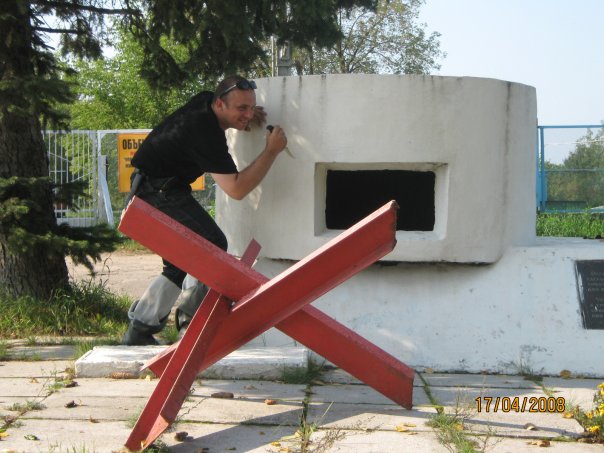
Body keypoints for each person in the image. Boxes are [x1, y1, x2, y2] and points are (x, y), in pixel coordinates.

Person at [121, 75, 287, 345]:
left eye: (251, 107)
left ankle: (139, 331)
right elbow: (236, 189)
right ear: (220, 104)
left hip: (156, 186)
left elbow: (226, 110)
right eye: (241, 108)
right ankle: (191, 327)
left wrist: (240, 117)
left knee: (179, 263)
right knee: (211, 245)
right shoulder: (204, 133)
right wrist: (271, 151)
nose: (248, 114)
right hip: (156, 191)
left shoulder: (205, 101)